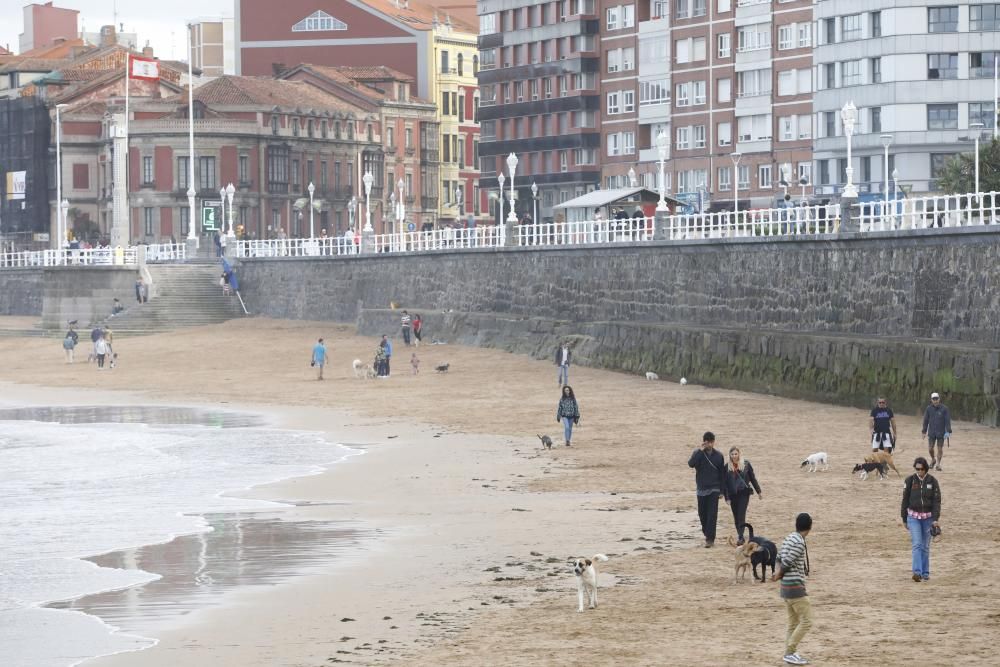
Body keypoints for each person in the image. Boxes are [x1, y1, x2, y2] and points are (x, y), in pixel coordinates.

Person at [772, 513, 814, 666]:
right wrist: (778, 574)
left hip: (785, 588)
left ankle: (789, 654)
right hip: (795, 587)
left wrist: (777, 573)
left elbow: (779, 557)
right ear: (809, 527)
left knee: (793, 622)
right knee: (807, 621)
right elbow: (788, 562)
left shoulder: (789, 537)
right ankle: (790, 651)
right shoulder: (799, 543)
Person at [901, 456, 942, 583]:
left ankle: (925, 573)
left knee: (925, 546)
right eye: (917, 469)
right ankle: (917, 572)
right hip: (913, 517)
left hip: (928, 519)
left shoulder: (933, 481)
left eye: (921, 469)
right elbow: (905, 500)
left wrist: (935, 519)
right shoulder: (909, 481)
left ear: (925, 469)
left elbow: (937, 501)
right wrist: (904, 518)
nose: (919, 471)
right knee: (917, 544)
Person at [688, 432, 725, 548]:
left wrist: (722, 491)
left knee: (712, 515)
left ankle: (710, 539)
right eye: (706, 442)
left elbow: (722, 475)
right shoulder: (698, 453)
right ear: (704, 441)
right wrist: (700, 450)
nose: (708, 444)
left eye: (710, 442)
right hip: (701, 489)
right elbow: (691, 464)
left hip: (714, 489)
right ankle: (707, 533)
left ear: (713, 442)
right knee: (702, 514)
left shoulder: (719, 456)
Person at [722, 446, 762, 545]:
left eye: (736, 454)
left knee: (741, 515)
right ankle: (740, 534)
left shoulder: (746, 464)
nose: (734, 456)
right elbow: (724, 484)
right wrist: (726, 497)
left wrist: (759, 491)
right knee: (735, 516)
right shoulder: (727, 467)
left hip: (744, 493)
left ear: (739, 454)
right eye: (732, 454)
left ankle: (741, 537)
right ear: (730, 455)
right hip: (732, 494)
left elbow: (752, 478)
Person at [921, 392, 951, 471]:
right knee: (930, 449)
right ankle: (933, 459)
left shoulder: (945, 409)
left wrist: (948, 431)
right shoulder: (929, 409)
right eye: (934, 399)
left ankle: (938, 464)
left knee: (940, 448)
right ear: (931, 400)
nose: (935, 401)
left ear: (939, 399)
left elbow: (947, 421)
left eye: (936, 399)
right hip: (932, 432)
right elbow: (926, 420)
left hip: (941, 432)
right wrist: (924, 431)